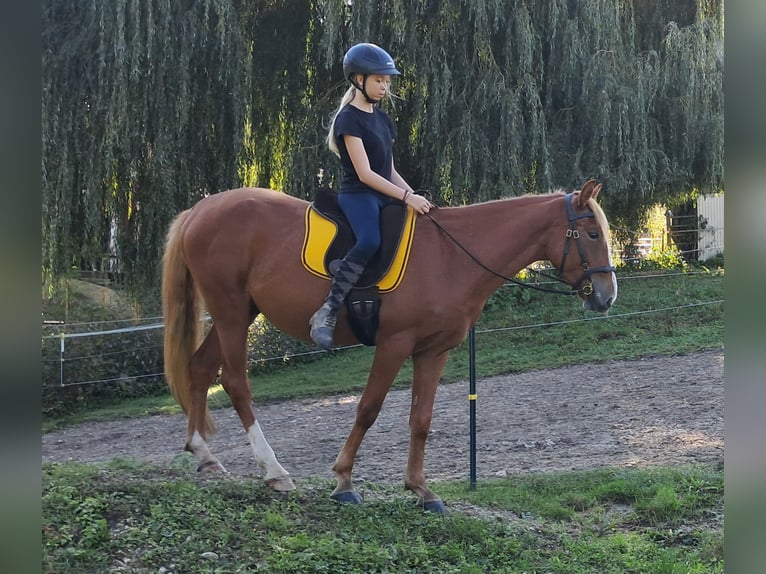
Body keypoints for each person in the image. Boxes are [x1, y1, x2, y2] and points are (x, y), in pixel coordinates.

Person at [309, 42, 432, 349]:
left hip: (385, 192)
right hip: (359, 195)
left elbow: (389, 171)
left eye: (387, 81)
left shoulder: (382, 119)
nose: (384, 86)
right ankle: (327, 311)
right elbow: (366, 174)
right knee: (370, 241)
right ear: (358, 79)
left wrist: (415, 197)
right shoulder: (348, 119)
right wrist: (406, 198)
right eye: (379, 80)